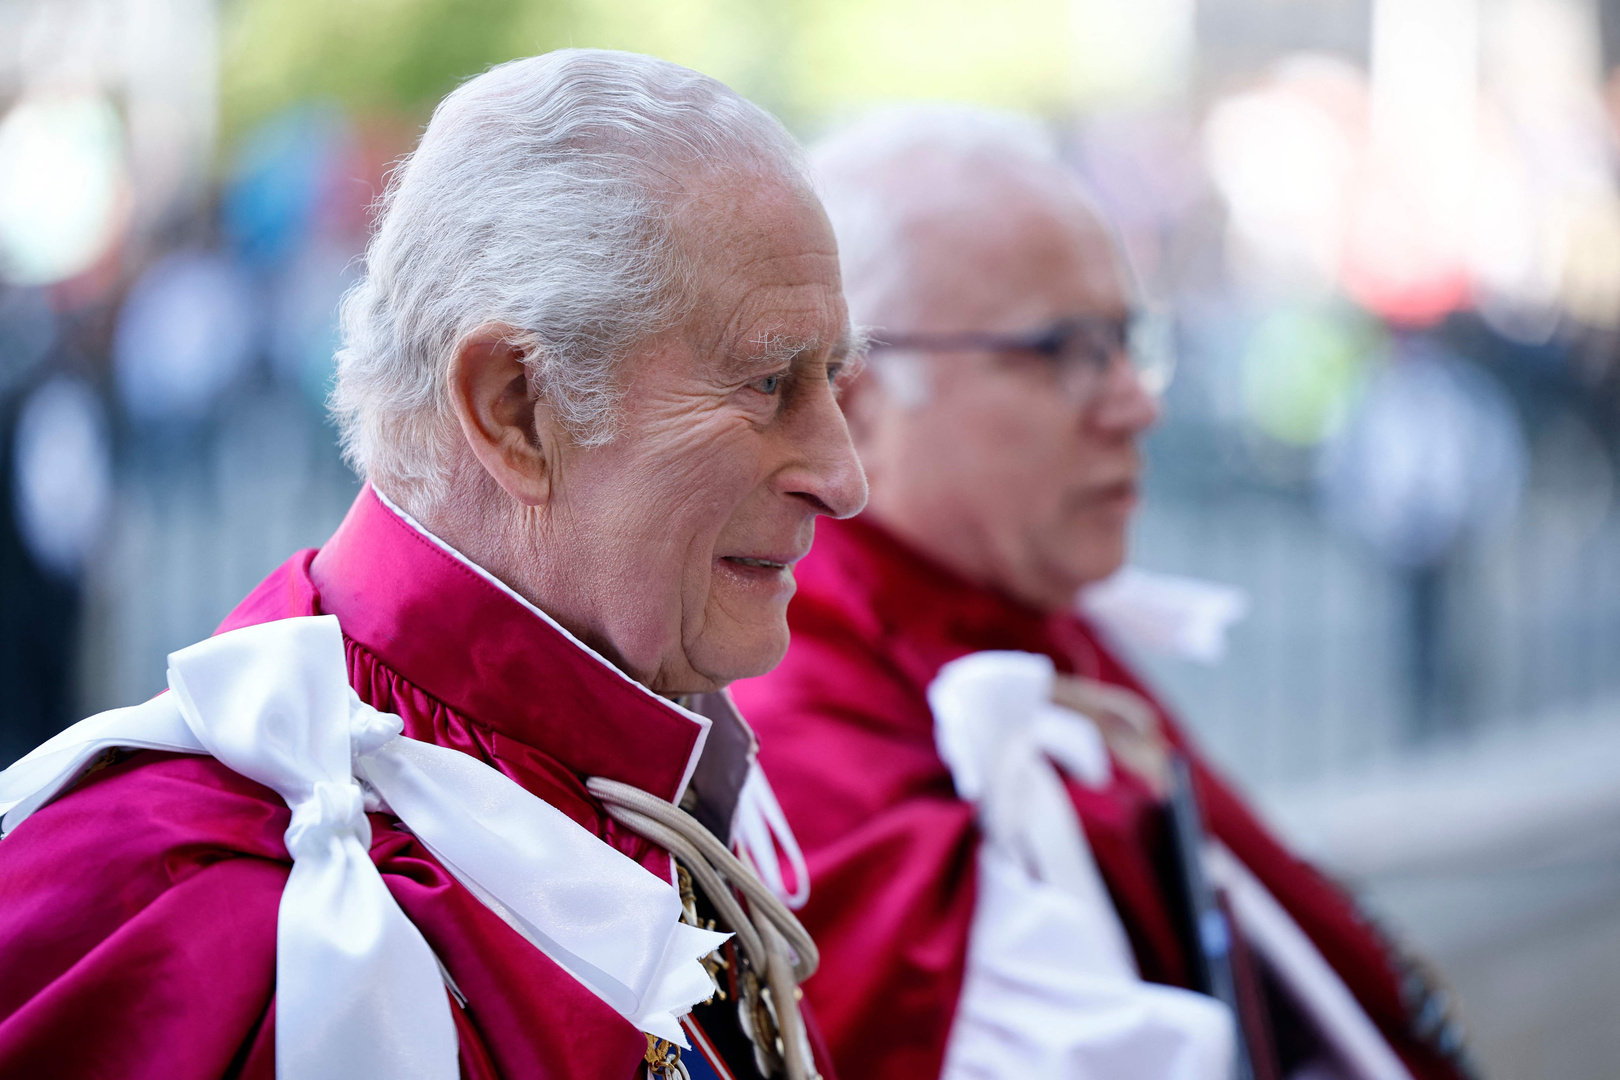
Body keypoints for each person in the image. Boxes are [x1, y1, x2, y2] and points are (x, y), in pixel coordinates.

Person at [0, 50, 866, 1080]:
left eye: (834, 377)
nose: (842, 477)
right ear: (515, 408)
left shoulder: (640, 766)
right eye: (768, 381)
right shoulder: (212, 909)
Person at [731, 107, 1473, 1080]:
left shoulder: (1005, 606)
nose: (1137, 404)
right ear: (858, 400)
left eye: (1129, 343)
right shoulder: (795, 720)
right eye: (1066, 350)